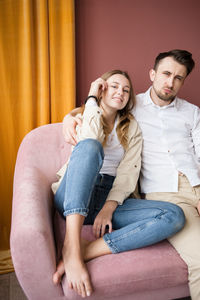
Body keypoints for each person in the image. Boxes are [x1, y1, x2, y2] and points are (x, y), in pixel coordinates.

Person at [63, 50, 200, 300]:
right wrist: (70, 115)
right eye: (166, 74)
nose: (170, 82)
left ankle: (83, 251)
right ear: (153, 74)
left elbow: (129, 171)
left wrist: (110, 205)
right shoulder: (110, 111)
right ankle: (73, 250)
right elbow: (89, 122)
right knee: (90, 146)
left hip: (182, 189)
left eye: (178, 78)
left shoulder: (182, 113)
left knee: (177, 217)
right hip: (85, 191)